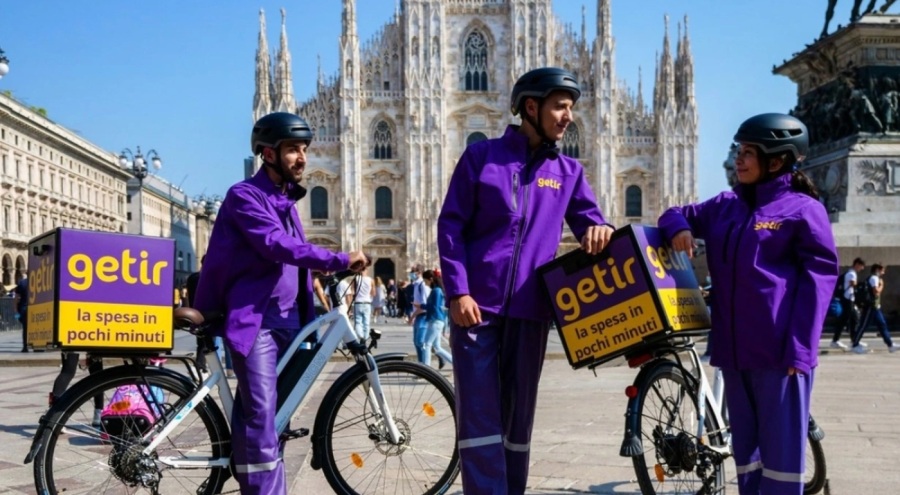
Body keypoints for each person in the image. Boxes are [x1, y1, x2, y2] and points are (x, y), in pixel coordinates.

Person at [437, 67, 613, 494]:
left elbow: (591, 219)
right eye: (560, 106)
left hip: (531, 311)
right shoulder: (483, 158)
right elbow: (451, 226)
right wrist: (458, 290)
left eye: (571, 107)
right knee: (480, 417)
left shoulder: (568, 171)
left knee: (518, 422)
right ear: (530, 108)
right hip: (477, 308)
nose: (568, 116)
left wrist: (599, 229)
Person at [658, 113, 838, 495]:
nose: (738, 160)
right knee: (747, 456)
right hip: (734, 353)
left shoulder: (803, 210)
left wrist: (801, 351)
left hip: (781, 356)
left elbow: (818, 282)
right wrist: (680, 229)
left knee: (782, 462)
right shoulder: (725, 206)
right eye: (737, 151)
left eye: (747, 153)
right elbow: (674, 213)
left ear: (776, 160)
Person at [192, 111, 367, 494]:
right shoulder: (245, 196)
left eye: (304, 149)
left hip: (292, 322)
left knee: (278, 419)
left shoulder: (287, 201)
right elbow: (275, 245)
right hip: (258, 323)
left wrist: (325, 276)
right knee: (260, 417)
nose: (302, 157)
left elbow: (294, 261)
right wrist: (336, 259)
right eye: (292, 149)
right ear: (268, 154)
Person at [187, 258, 234, 377]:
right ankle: (230, 369)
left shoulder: (193, 278)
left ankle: (201, 368)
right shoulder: (211, 278)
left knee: (202, 345)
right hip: (214, 314)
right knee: (227, 343)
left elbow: (189, 298)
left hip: (197, 314)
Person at [850, 263, 897, 353]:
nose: (883, 273)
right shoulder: (874, 278)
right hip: (870, 306)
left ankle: (890, 344)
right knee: (863, 325)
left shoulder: (874, 278)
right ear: (877, 270)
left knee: (882, 324)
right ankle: (855, 344)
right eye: (882, 270)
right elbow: (876, 292)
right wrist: (882, 285)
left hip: (875, 307)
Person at [831, 257, 865, 349]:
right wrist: (860, 285)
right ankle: (835, 340)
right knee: (845, 320)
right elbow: (853, 284)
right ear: (857, 264)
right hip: (848, 299)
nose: (862, 269)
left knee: (854, 319)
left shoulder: (850, 273)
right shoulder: (851, 274)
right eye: (861, 266)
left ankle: (854, 340)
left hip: (849, 299)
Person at [422, 269, 452, 370]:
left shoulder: (436, 291)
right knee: (437, 347)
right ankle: (455, 364)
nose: (425, 283)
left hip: (435, 319)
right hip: (437, 319)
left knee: (427, 344)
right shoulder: (437, 290)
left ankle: (426, 369)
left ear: (430, 279)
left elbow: (434, 306)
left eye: (425, 280)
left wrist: (422, 306)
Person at [407, 263, 431, 365]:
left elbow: (424, 305)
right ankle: (421, 365)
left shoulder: (423, 285)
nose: (411, 274)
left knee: (421, 342)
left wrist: (412, 316)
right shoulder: (416, 285)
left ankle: (425, 367)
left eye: (413, 271)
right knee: (416, 342)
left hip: (423, 316)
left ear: (419, 272)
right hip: (418, 316)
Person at [351, 266, 375, 341]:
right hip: (367, 302)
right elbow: (373, 293)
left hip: (358, 302)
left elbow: (352, 291)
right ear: (366, 270)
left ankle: (360, 336)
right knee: (366, 322)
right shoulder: (371, 280)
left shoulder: (356, 279)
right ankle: (365, 337)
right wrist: (369, 297)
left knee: (358, 321)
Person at [13, 275, 28, 352]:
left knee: (25, 328)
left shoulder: (22, 283)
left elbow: (16, 297)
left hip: (24, 308)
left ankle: (25, 346)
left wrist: (15, 309)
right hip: (37, 307)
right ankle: (38, 345)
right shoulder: (39, 281)